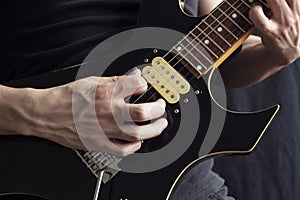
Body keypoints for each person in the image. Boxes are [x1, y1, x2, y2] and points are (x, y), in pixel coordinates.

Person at [0, 0, 299, 199]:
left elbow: (213, 62)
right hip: (32, 170)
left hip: (173, 179)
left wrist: (276, 54)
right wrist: (41, 112)